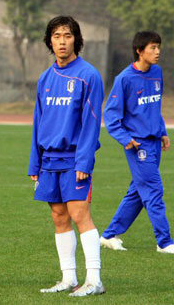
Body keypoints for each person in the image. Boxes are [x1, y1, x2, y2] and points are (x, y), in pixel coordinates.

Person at [28, 16, 105, 297]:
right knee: (59, 216)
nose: (62, 41)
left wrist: (84, 161)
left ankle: (94, 280)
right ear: (50, 40)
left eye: (68, 35)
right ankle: (69, 279)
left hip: (74, 158)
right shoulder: (45, 78)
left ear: (77, 39)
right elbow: (39, 122)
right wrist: (34, 162)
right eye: (57, 35)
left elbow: (91, 122)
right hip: (49, 160)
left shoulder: (89, 75)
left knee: (79, 213)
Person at [100, 31, 174, 254]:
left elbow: (154, 106)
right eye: (152, 47)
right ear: (139, 51)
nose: (157, 51)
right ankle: (165, 242)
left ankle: (109, 235)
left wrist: (162, 131)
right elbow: (111, 116)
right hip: (138, 146)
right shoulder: (124, 79)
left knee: (137, 193)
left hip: (154, 142)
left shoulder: (157, 72)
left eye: (158, 47)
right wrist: (126, 139)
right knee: (153, 190)